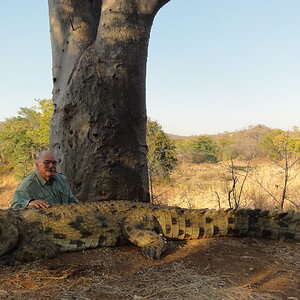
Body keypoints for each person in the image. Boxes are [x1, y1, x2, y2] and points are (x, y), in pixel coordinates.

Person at [11, 151, 78, 209]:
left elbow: (72, 201)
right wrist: (29, 203)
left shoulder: (61, 179)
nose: (51, 166)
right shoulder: (27, 185)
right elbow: (15, 206)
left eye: (54, 163)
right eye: (46, 162)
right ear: (37, 165)